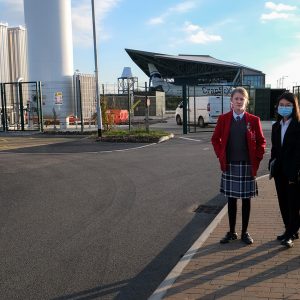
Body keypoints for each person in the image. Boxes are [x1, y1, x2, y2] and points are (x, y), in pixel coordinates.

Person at [211, 87, 266, 244]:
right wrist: (220, 154)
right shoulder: (223, 119)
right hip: (230, 165)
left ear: (246, 102)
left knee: (246, 200)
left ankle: (244, 233)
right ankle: (231, 232)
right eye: (236, 98)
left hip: (247, 166)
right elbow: (215, 139)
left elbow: (262, 141)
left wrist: (257, 157)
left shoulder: (253, 120)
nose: (239, 101)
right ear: (231, 101)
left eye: (242, 99)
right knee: (231, 200)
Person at [269, 92, 300, 248]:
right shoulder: (276, 126)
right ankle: (290, 230)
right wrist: (272, 163)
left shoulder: (298, 125)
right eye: (282, 105)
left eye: (288, 105)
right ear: (277, 107)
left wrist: (294, 172)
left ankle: (291, 233)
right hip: (279, 172)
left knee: (293, 204)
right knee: (283, 202)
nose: (284, 108)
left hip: (293, 172)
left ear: (294, 107)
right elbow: (275, 149)